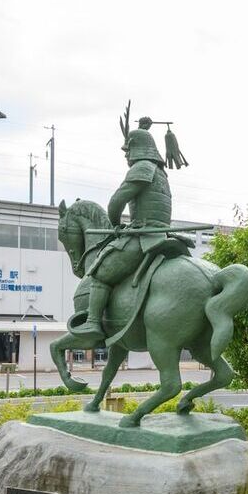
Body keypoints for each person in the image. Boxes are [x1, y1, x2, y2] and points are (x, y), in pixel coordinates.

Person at [71, 121, 185, 342]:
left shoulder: (142, 167)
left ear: (137, 148)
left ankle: (93, 322)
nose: (126, 155)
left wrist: (115, 225)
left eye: (128, 149)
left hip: (144, 236)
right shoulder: (161, 173)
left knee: (100, 271)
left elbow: (116, 202)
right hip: (164, 234)